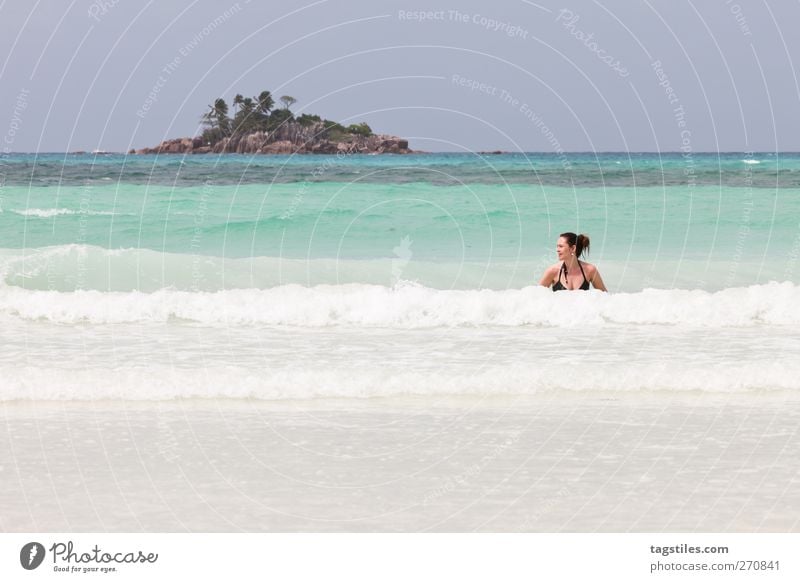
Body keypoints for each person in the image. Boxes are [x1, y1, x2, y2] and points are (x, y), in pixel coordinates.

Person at [539, 232, 607, 292]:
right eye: (557, 246)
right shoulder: (552, 271)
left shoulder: (590, 270)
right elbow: (536, 297)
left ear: (573, 248)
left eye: (561, 246)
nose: (557, 250)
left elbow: (605, 297)